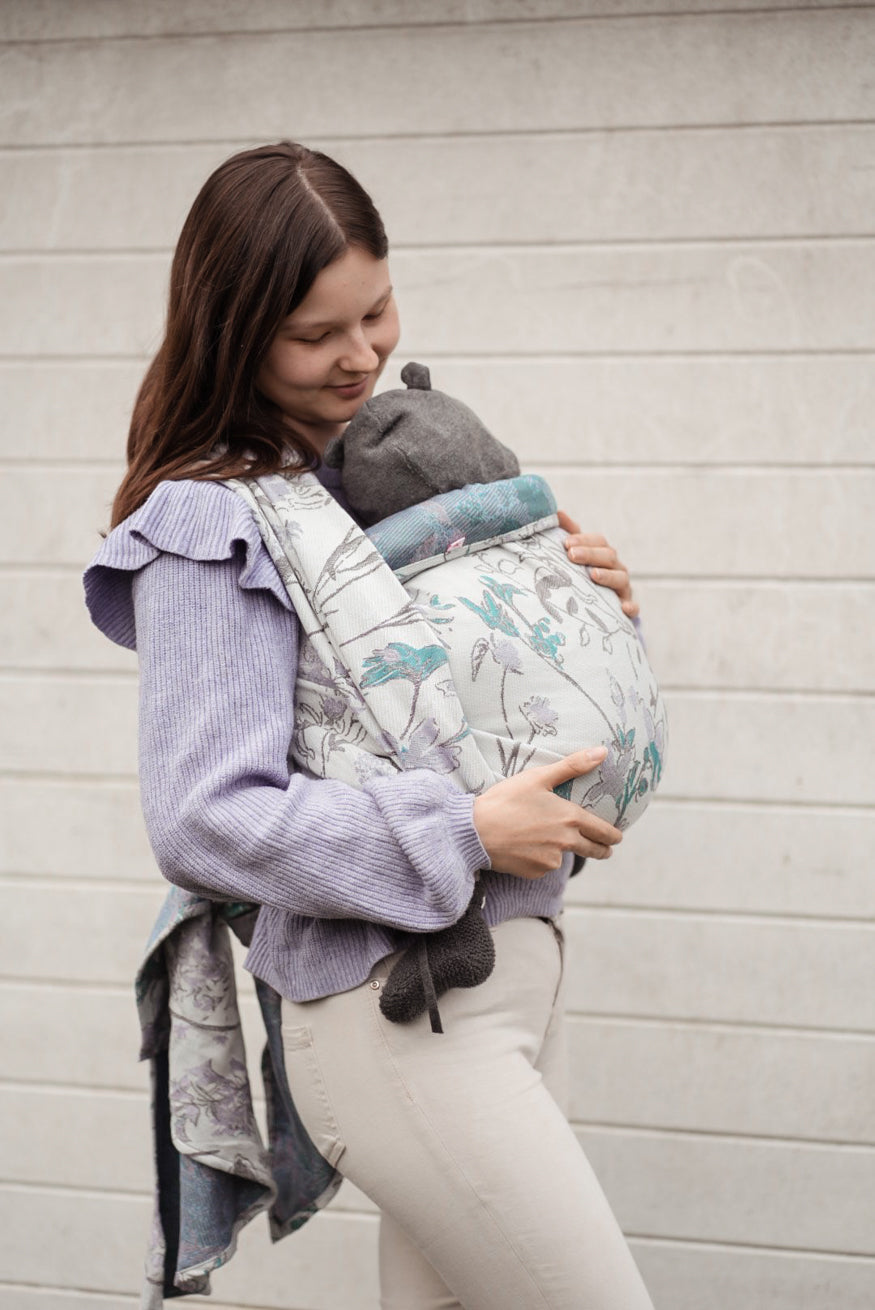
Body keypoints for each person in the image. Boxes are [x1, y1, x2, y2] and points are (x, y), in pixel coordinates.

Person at [84, 142, 656, 1310]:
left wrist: (570, 602)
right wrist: (459, 829)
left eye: (377, 310)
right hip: (401, 1024)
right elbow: (204, 816)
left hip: (496, 993)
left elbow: (445, 703)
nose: (359, 355)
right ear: (234, 331)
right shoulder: (212, 518)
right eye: (313, 334)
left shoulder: (358, 486)